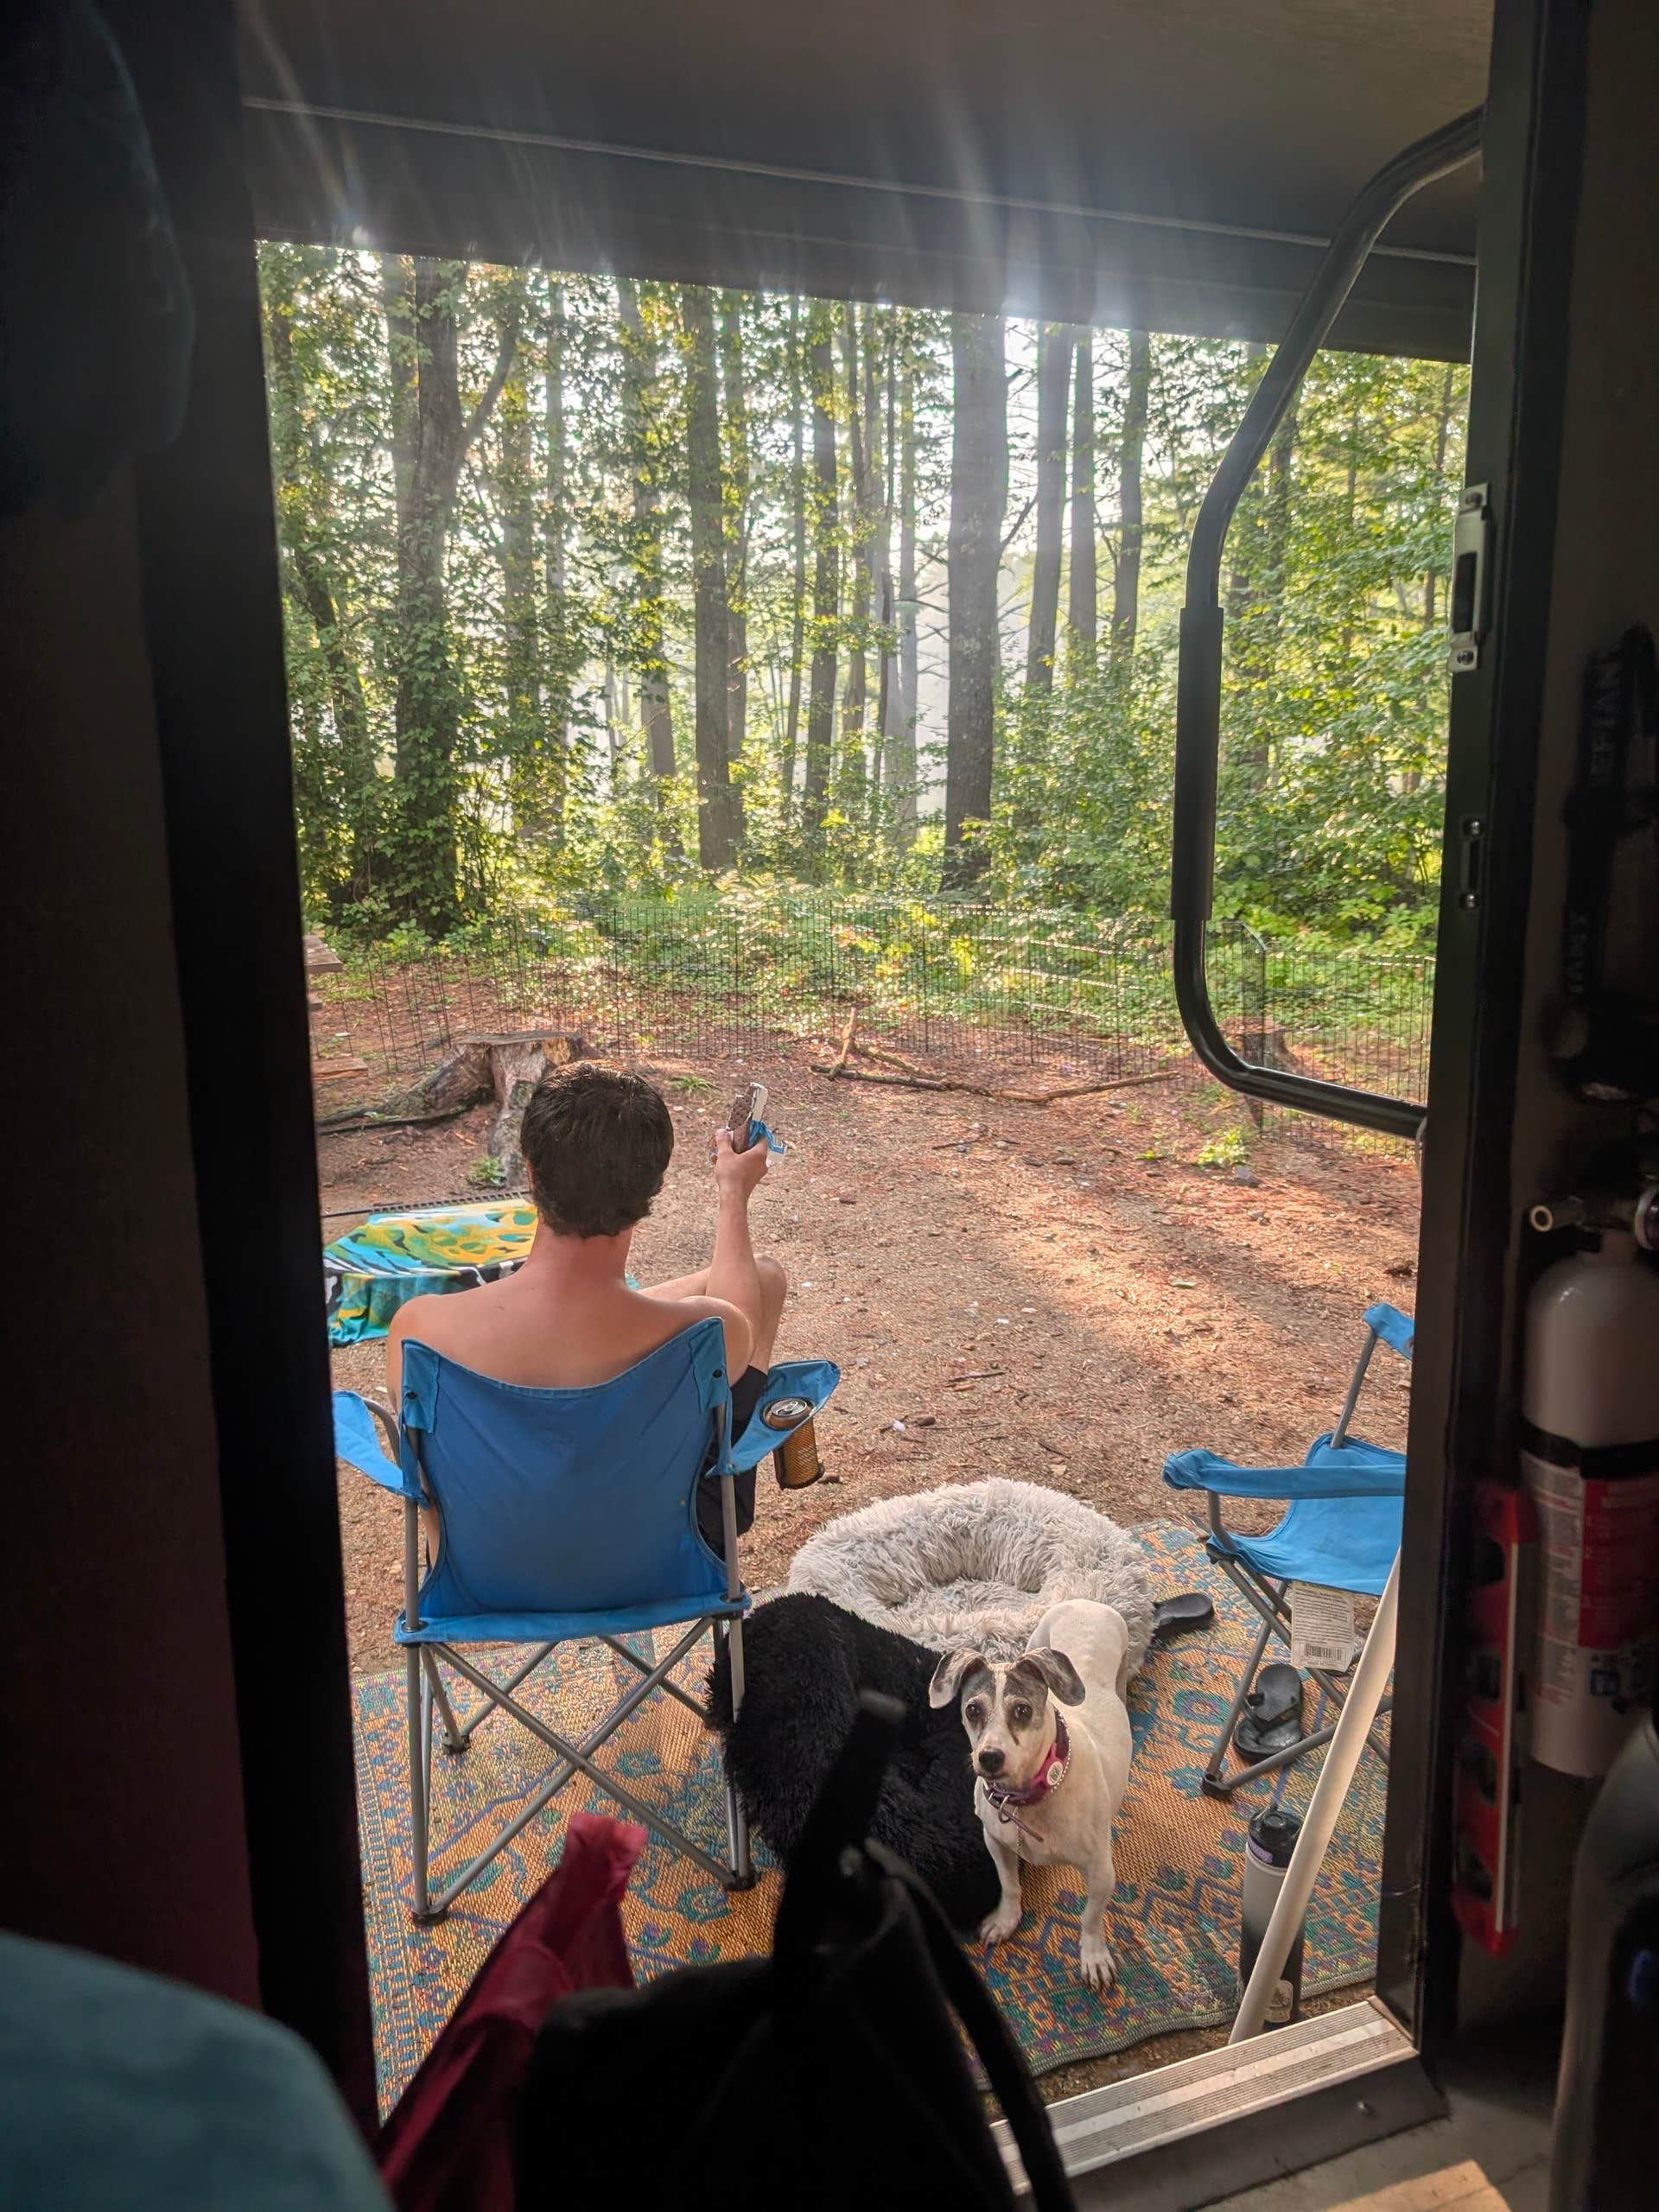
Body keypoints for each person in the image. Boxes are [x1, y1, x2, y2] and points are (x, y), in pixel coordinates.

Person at [385, 1063, 788, 1553]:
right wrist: (733, 1192)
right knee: (759, 1288)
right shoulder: (711, 1330)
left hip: (488, 1569)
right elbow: (735, 1312)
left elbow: (426, 1484)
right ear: (653, 1188)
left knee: (762, 1277)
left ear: (532, 1175)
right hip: (662, 1553)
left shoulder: (420, 1330)